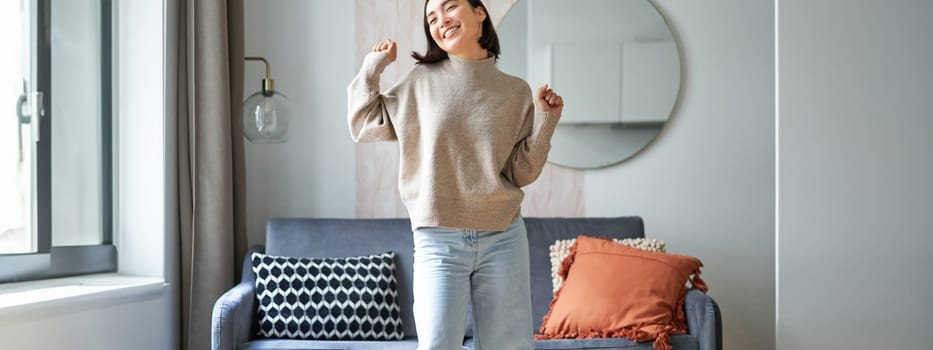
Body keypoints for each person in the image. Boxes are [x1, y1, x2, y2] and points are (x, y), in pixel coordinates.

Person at [347, 0, 563, 348]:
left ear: (480, 13)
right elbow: (364, 124)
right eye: (432, 18)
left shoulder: (515, 90)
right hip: (438, 239)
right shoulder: (421, 81)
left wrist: (546, 120)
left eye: (449, 8)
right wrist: (374, 67)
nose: (440, 21)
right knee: (437, 344)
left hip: (503, 236)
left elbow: (521, 172)